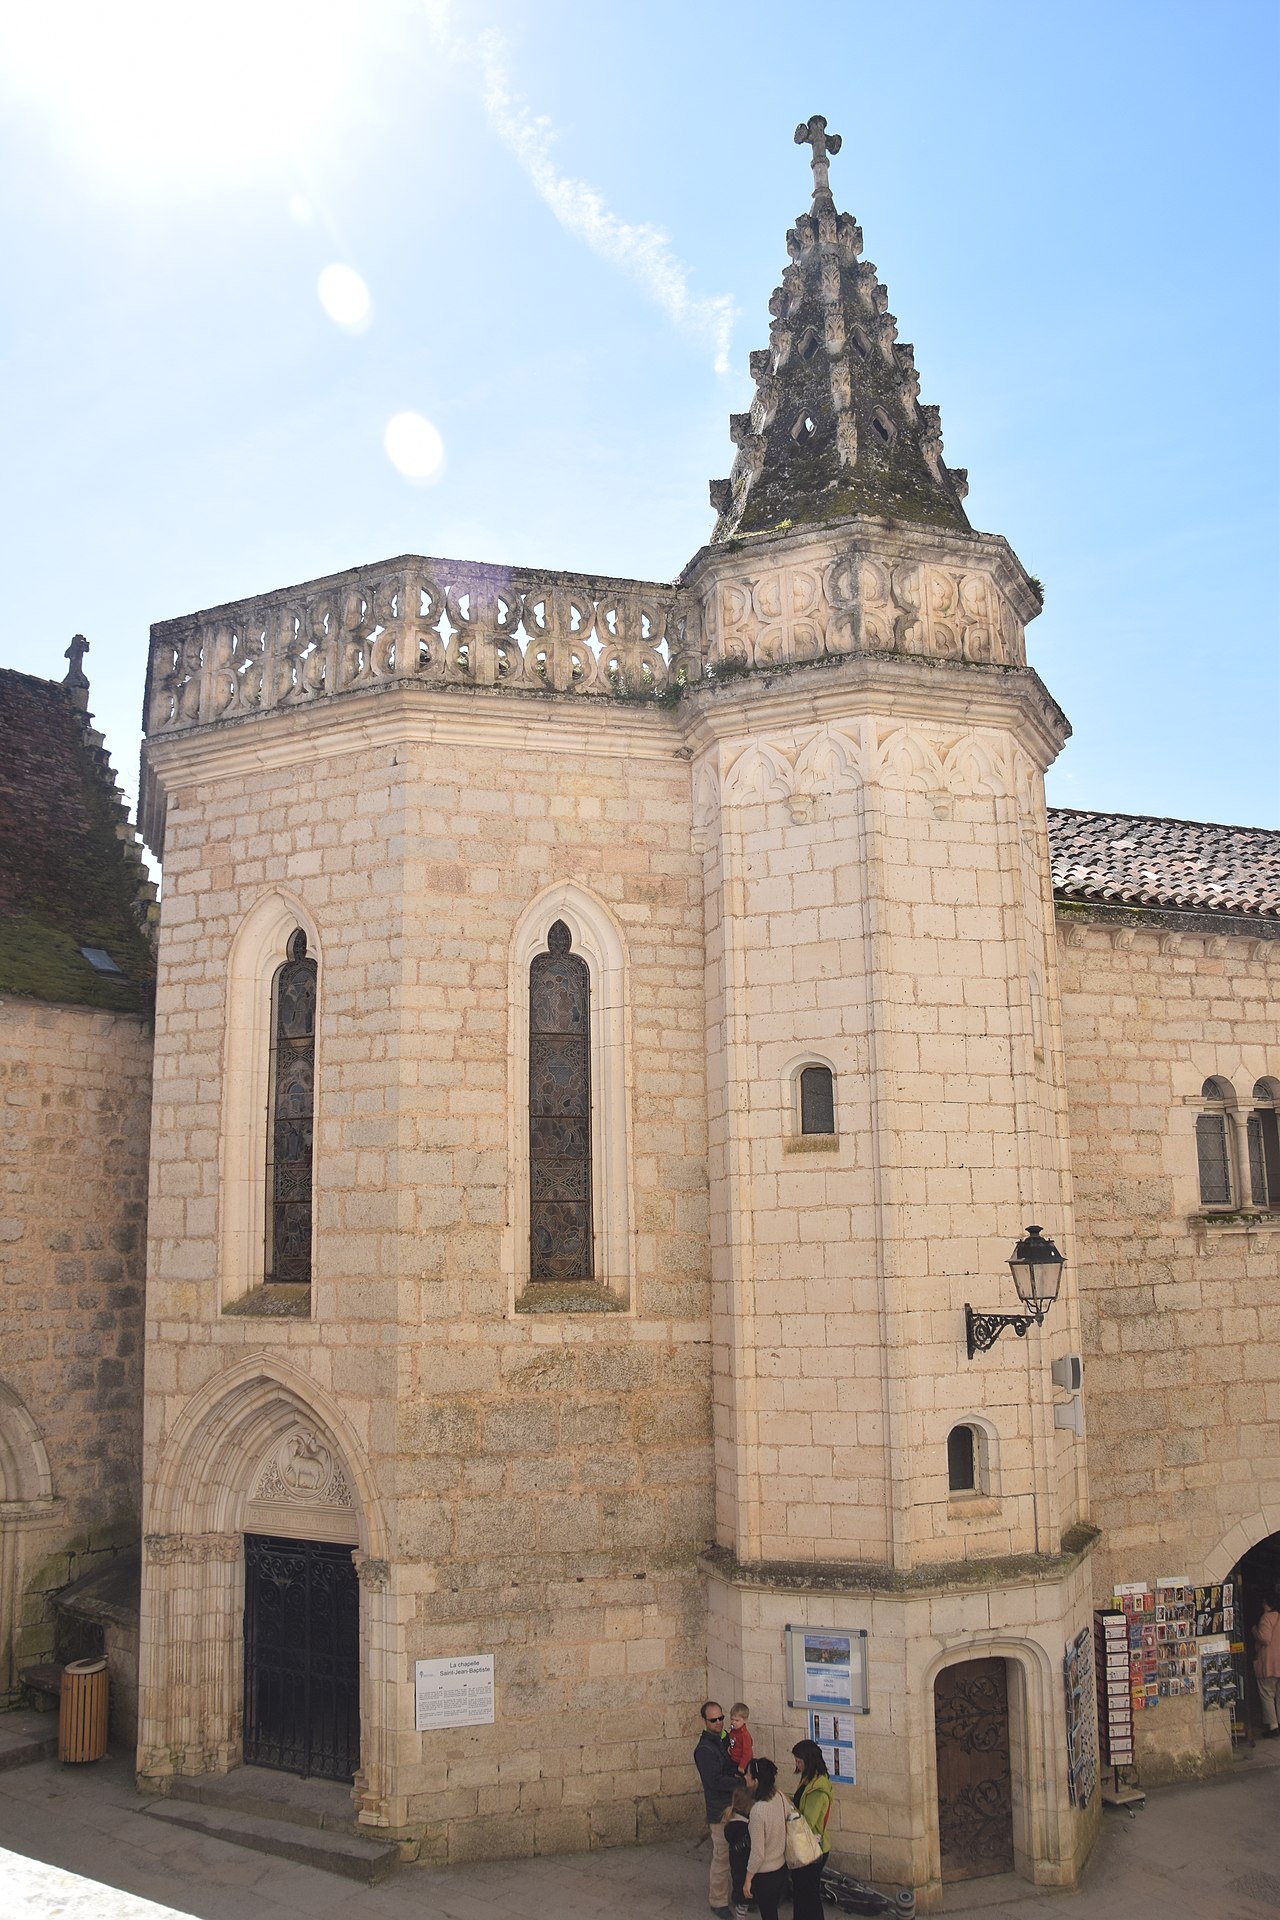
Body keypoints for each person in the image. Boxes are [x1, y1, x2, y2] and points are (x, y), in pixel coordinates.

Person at [695, 1701, 743, 1918]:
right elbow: (714, 1781)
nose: (718, 1723)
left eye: (721, 1718)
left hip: (734, 1804)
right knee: (722, 1856)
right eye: (713, 1720)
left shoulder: (723, 1740)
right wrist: (741, 1782)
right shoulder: (704, 1750)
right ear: (705, 1721)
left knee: (738, 1854)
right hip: (719, 1809)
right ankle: (718, 1900)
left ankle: (739, 1895)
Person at [789, 1739, 834, 1919]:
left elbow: (807, 1821)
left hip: (812, 1848)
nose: (797, 1765)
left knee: (809, 1895)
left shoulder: (817, 1789)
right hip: (805, 1846)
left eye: (799, 1761)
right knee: (801, 1892)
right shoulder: (809, 1778)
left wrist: (788, 1809)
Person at [743, 1756, 788, 1920]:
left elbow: (757, 1853)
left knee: (768, 1915)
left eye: (748, 1774)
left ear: (756, 1781)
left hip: (766, 1875)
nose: (745, 1777)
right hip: (781, 1868)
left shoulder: (758, 1811)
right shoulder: (780, 1796)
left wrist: (748, 1879)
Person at [722, 1783, 754, 1920]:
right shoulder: (744, 1827)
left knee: (739, 1891)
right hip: (744, 1865)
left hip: (736, 1863)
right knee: (744, 1896)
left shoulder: (731, 1821)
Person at [1254, 1592, 1280, 1737]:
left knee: (1267, 1694)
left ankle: (1273, 1726)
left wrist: (1254, 1631)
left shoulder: (1266, 1618)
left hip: (1270, 1663)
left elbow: (1265, 1638)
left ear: (1266, 1603)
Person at [727, 1701, 754, 1772]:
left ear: (745, 1720)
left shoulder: (744, 1735)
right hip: (733, 1758)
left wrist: (742, 1766)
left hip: (740, 1762)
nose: (733, 1722)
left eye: (737, 1720)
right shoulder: (734, 1730)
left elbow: (747, 1753)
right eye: (732, 1719)